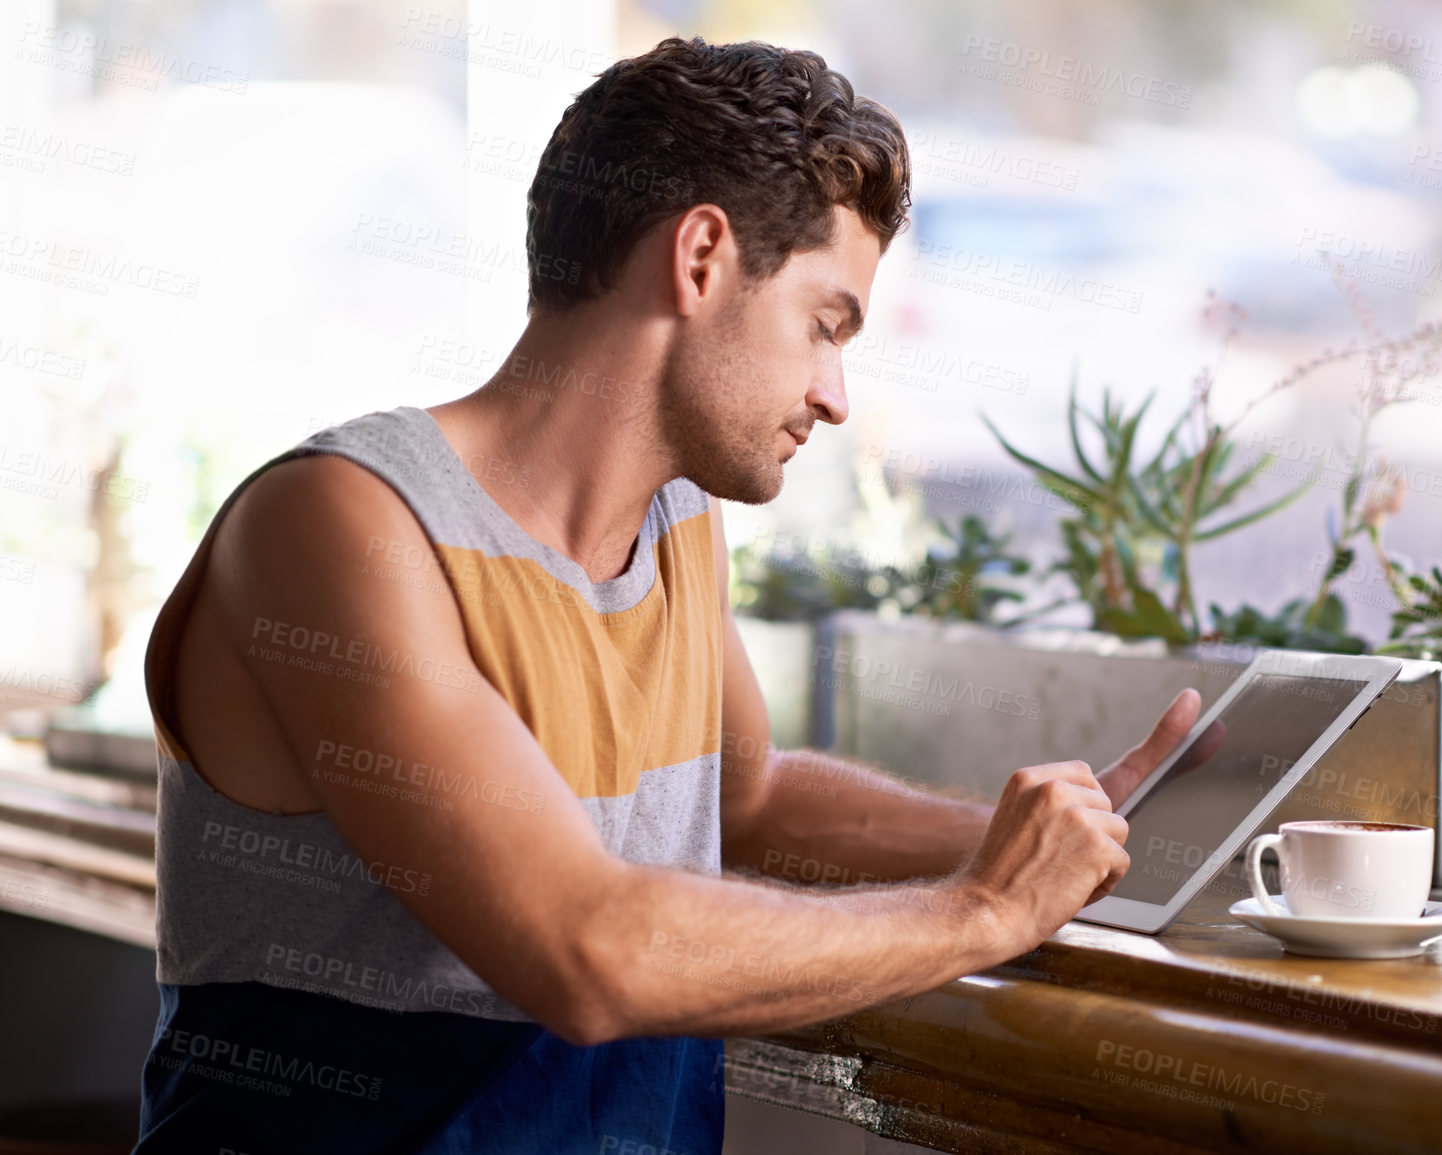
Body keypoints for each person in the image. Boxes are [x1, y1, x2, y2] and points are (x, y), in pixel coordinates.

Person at [132, 35, 1200, 1154]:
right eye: (825, 325)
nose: (837, 396)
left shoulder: (679, 525)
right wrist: (986, 908)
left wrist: (1060, 844)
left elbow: (748, 804)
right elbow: (585, 952)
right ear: (700, 258)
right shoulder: (345, 524)